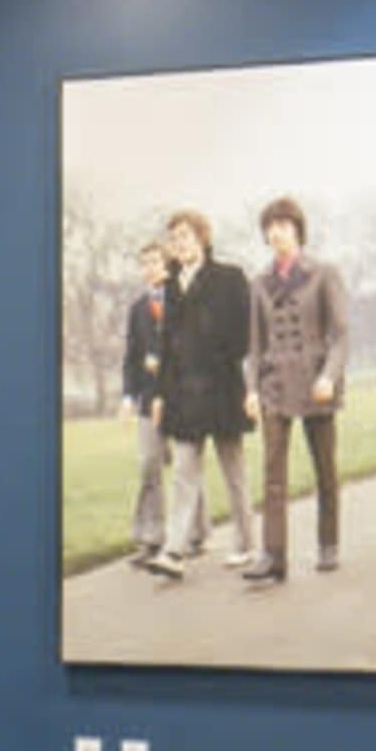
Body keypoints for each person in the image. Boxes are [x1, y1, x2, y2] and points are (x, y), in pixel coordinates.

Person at [239, 195, 348, 580]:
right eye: (269, 227)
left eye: (283, 225)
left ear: (297, 230)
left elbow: (340, 335)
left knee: (324, 468)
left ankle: (328, 544)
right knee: (272, 474)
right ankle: (273, 556)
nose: (275, 233)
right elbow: (253, 346)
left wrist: (329, 377)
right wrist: (251, 389)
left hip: (316, 382)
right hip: (275, 386)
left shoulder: (324, 273)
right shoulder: (258, 283)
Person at [144, 207, 252, 580]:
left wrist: (243, 386)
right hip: (184, 396)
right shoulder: (170, 288)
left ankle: (245, 543)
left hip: (222, 389)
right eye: (174, 239)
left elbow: (243, 337)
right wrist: (159, 395)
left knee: (233, 472)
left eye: (186, 236)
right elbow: (166, 345)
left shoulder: (230, 278)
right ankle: (174, 552)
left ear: (202, 238)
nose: (180, 244)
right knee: (184, 474)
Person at [120, 238, 171, 565]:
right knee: (149, 466)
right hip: (147, 399)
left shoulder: (181, 300)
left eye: (155, 261)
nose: (149, 268)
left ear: (167, 264)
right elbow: (131, 358)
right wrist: (128, 396)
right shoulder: (137, 309)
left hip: (180, 397)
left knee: (183, 466)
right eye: (144, 263)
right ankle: (149, 540)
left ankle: (192, 534)